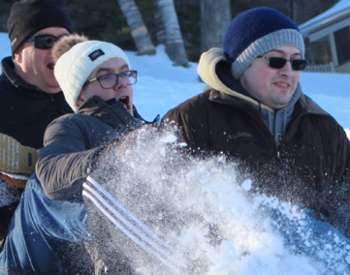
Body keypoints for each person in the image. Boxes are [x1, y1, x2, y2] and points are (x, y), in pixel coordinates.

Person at [163, 7, 350, 236]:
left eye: (297, 62)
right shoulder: (191, 119)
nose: (288, 71)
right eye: (276, 60)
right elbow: (163, 208)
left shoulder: (325, 130)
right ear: (243, 63)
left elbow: (345, 210)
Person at [33, 34, 152, 273]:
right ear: (80, 94)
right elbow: (50, 172)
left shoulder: (146, 131)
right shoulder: (70, 125)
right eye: (106, 76)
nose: (121, 83)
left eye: (125, 73)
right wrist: (110, 156)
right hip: (113, 256)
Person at [0, 0, 72, 243]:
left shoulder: (87, 96)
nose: (58, 50)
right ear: (18, 52)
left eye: (66, 42)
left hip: (79, 239)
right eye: (46, 42)